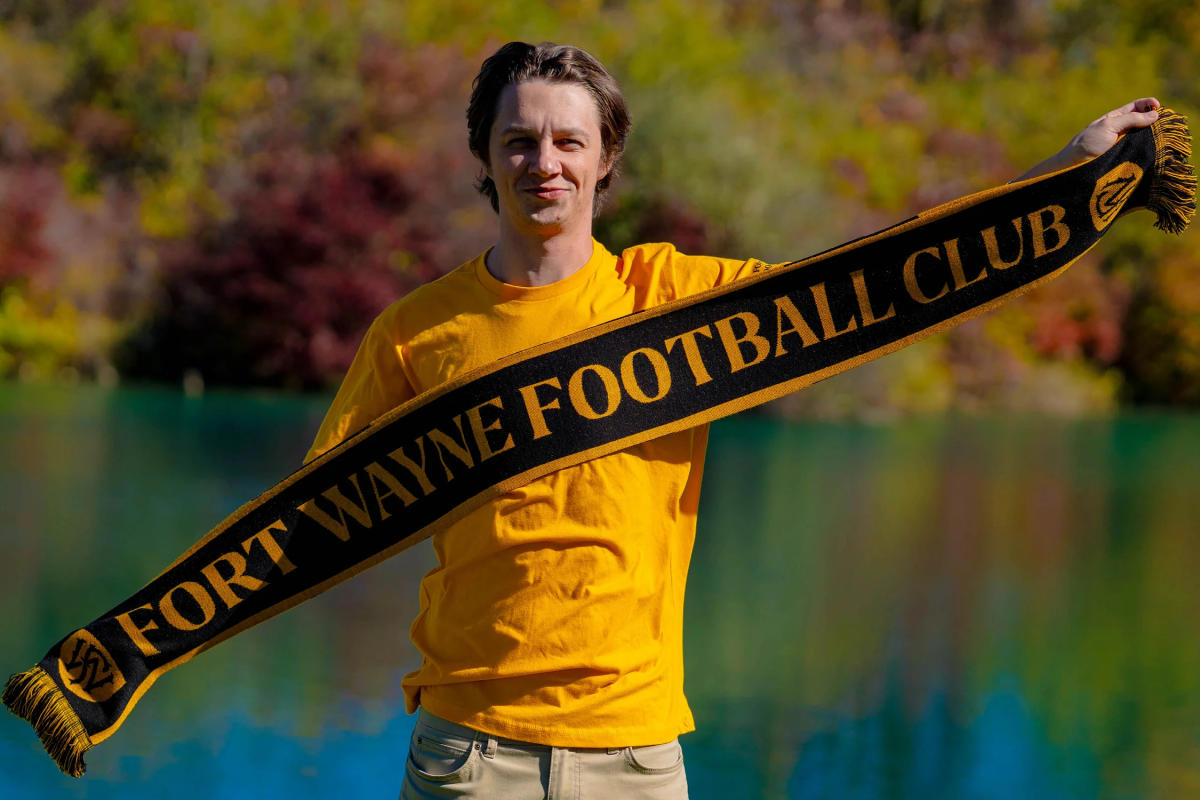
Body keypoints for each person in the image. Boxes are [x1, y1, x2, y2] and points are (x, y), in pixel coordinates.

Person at [304, 41, 1162, 800]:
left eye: (570, 141)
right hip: (470, 755)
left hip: (633, 758)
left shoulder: (673, 300)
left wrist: (1065, 175)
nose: (545, 163)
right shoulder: (417, 331)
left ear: (607, 162)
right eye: (519, 140)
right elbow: (314, 519)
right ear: (484, 158)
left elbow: (883, 282)